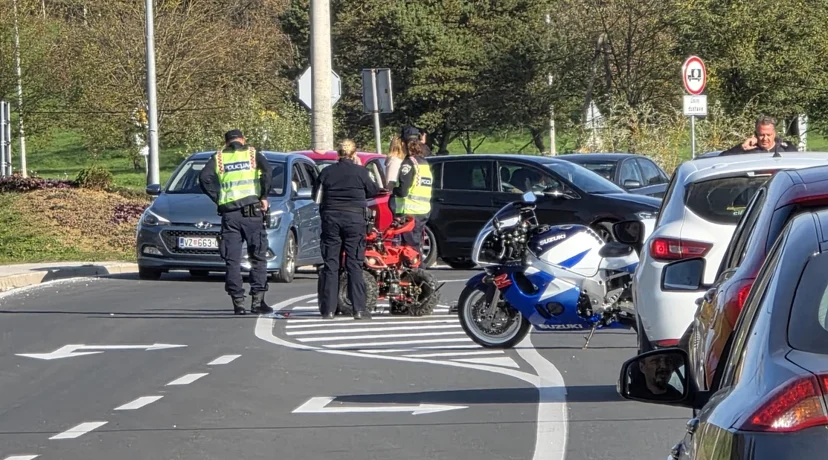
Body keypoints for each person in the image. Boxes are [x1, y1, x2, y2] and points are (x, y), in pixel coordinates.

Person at [199, 129, 274, 316]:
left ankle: (238, 303)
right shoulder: (252, 154)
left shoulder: (218, 158)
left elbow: (204, 178)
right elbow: (268, 172)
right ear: (243, 140)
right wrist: (264, 196)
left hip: (230, 215)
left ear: (226, 142)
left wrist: (218, 198)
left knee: (232, 260)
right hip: (252, 213)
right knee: (257, 257)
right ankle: (257, 302)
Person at [312, 139, 380, 320]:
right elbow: (373, 191)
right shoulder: (361, 172)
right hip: (354, 221)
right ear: (354, 154)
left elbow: (315, 196)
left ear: (338, 154)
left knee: (331, 264)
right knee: (354, 264)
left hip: (331, 219)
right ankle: (358, 309)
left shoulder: (326, 172)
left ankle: (328, 310)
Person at [392, 138, 433, 253]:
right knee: (416, 244)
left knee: (408, 247)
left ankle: (413, 264)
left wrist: (393, 190)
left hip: (409, 210)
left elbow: (403, 191)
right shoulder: (424, 164)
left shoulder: (409, 163)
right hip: (423, 210)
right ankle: (417, 263)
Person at [719, 116, 799, 156]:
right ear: (755, 134)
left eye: (768, 135)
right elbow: (721, 159)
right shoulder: (747, 151)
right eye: (761, 135)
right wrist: (742, 148)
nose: (765, 138)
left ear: (774, 133)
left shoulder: (786, 149)